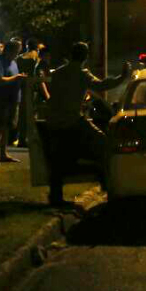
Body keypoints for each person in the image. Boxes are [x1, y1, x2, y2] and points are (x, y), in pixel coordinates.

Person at [38, 42, 129, 207]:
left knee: (58, 159)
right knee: (102, 142)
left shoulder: (59, 72)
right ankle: (105, 182)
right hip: (72, 119)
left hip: (54, 120)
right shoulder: (82, 74)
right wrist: (122, 77)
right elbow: (102, 85)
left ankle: (56, 196)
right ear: (85, 57)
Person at [0, 39, 25, 165]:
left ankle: (3, 153)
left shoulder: (13, 63)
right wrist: (17, 77)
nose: (17, 54)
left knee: (8, 127)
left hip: (13, 99)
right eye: (16, 51)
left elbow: (14, 78)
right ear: (9, 50)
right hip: (1, 99)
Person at [12, 38, 43, 147]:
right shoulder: (36, 57)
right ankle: (29, 138)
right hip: (31, 88)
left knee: (22, 113)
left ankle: (20, 138)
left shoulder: (19, 58)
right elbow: (36, 74)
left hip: (20, 86)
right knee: (31, 114)